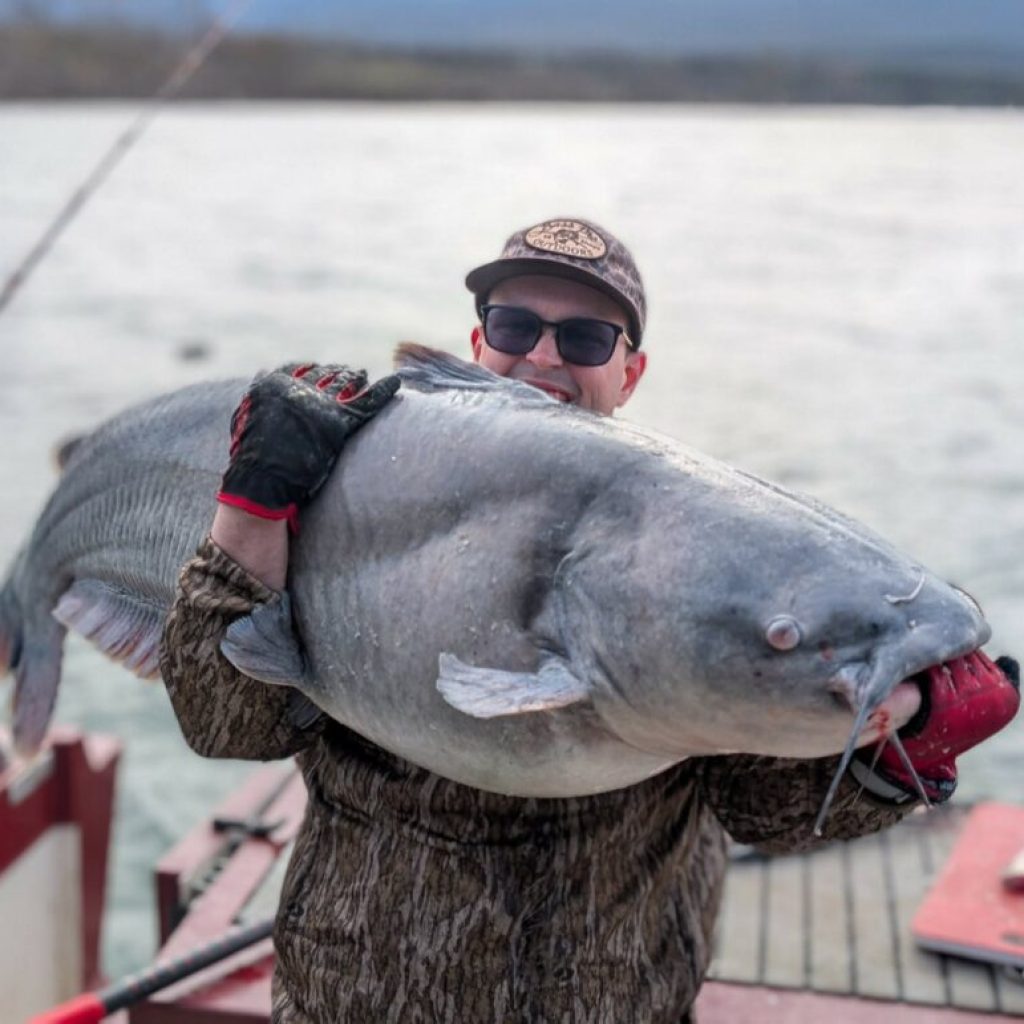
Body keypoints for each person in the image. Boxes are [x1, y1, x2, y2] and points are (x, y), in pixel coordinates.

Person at [160, 217, 1019, 1023]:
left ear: (628, 372)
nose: (540, 357)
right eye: (512, 326)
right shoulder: (334, 471)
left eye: (583, 339)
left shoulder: (697, 554)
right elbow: (224, 722)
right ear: (475, 344)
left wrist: (897, 754)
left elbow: (767, 810)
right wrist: (250, 512)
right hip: (362, 1001)